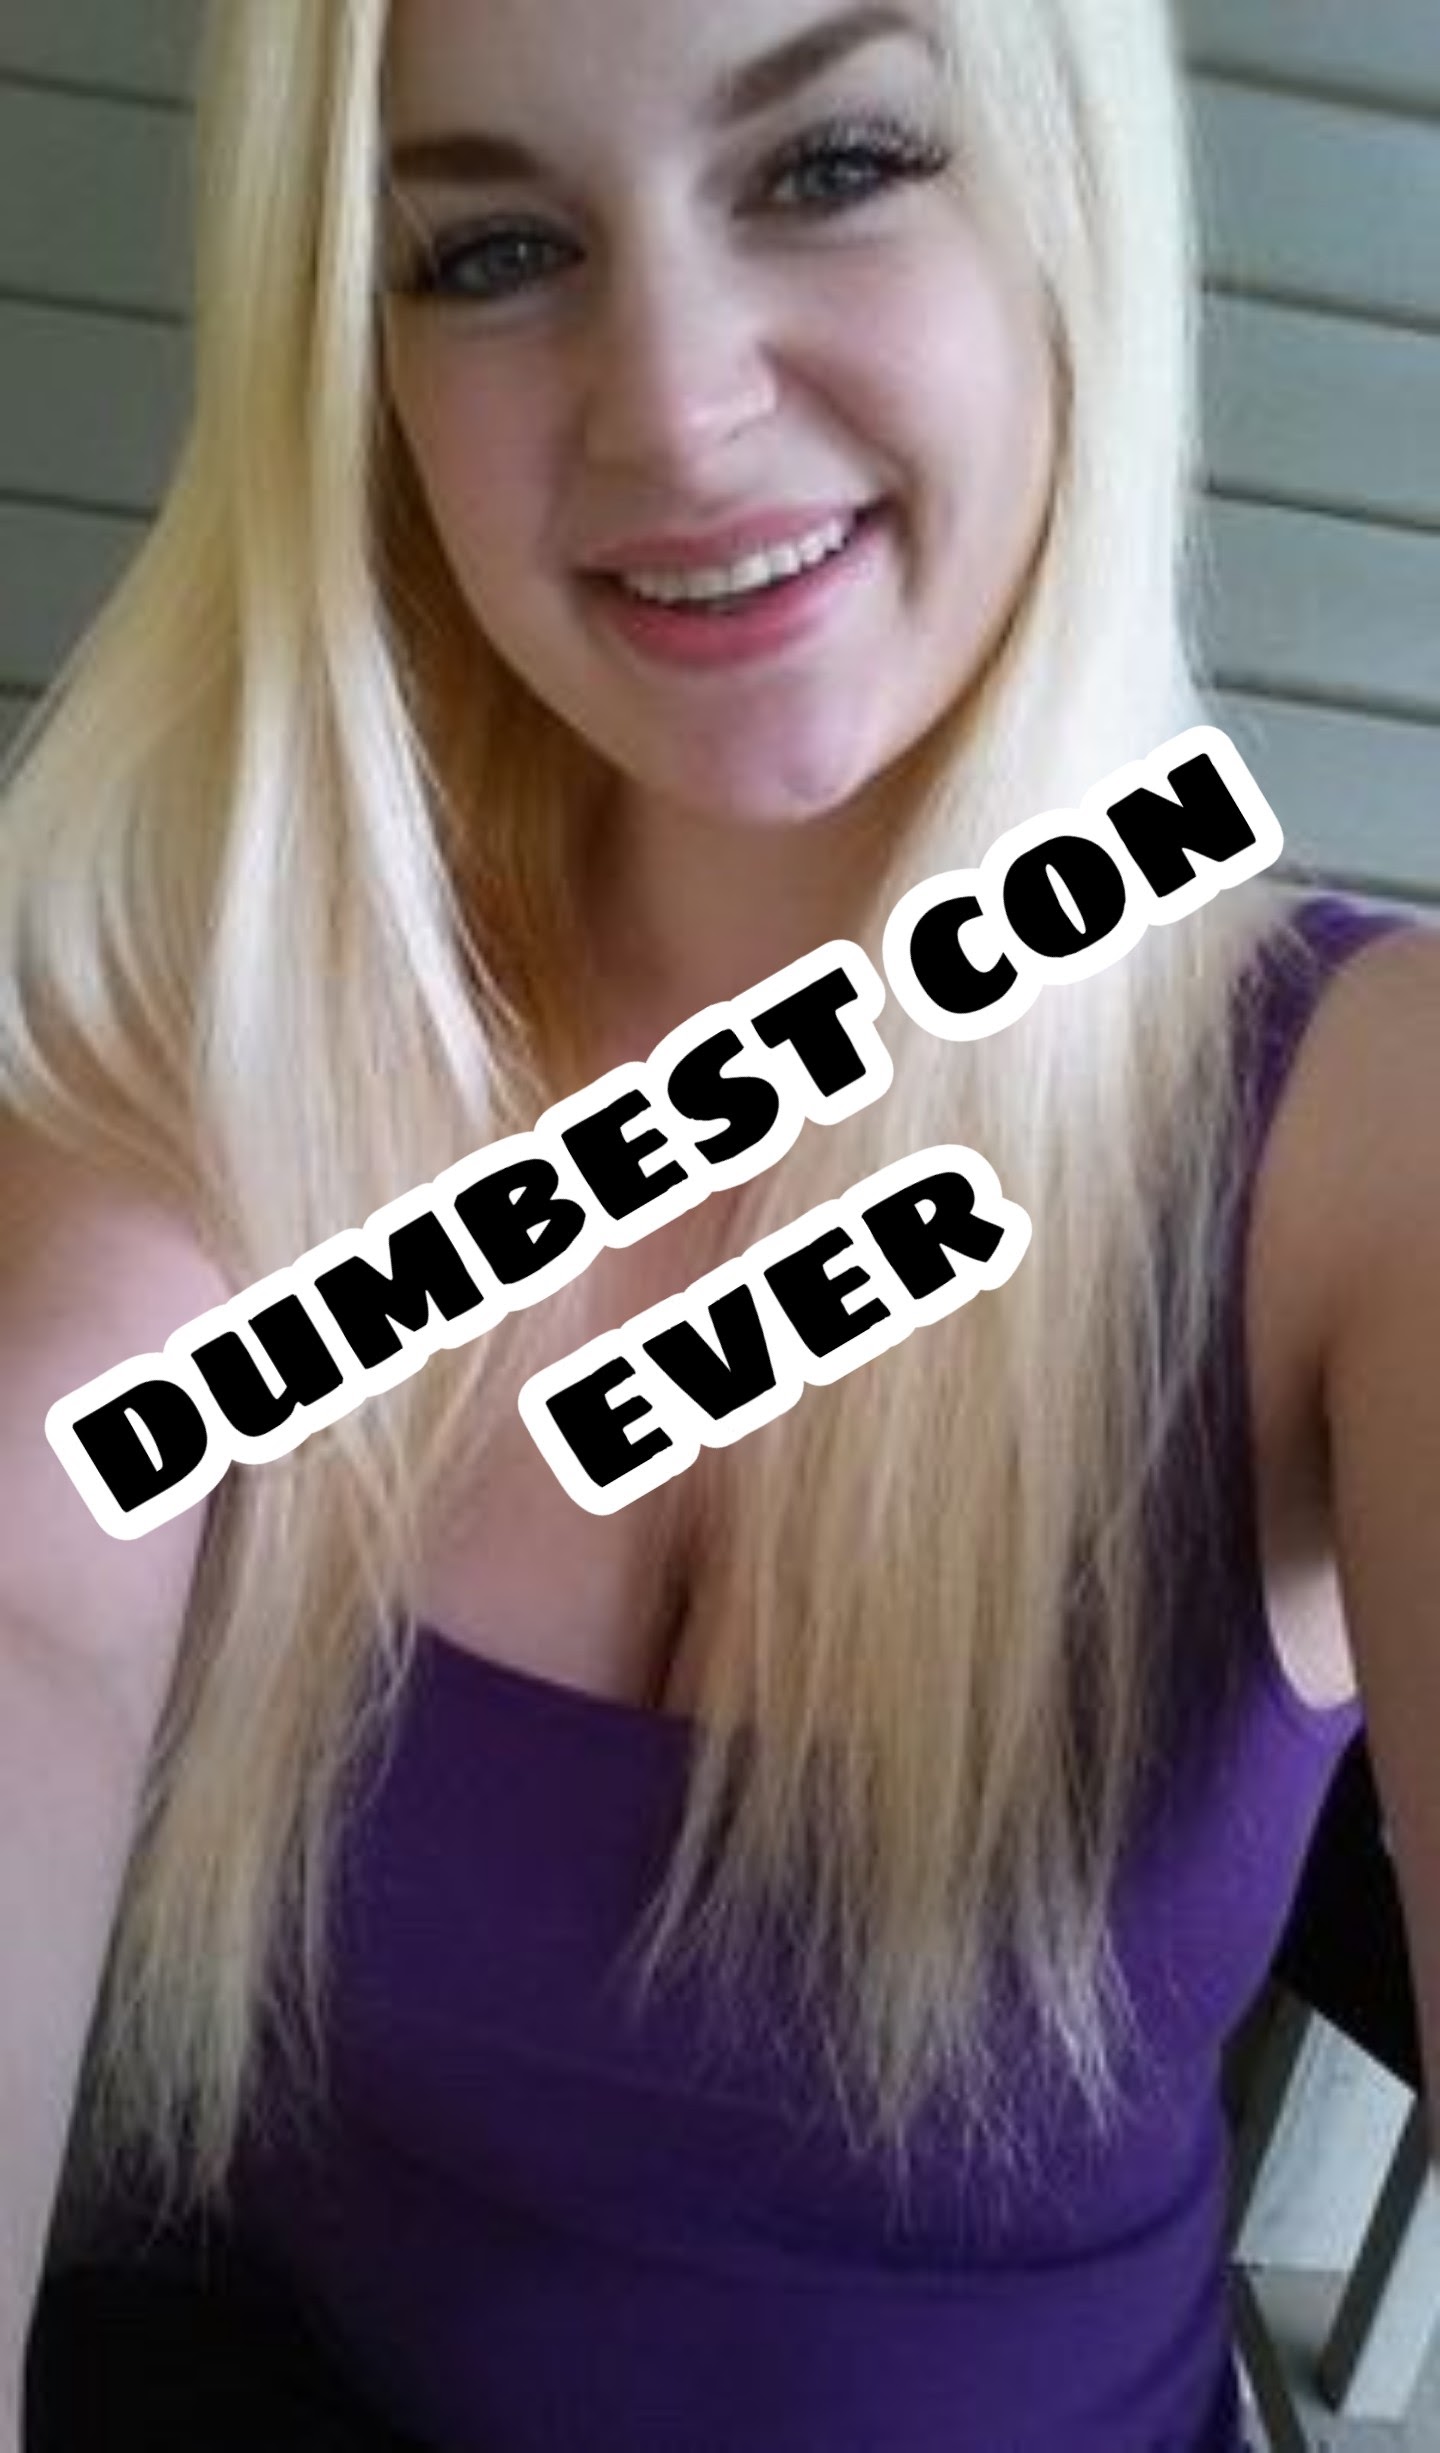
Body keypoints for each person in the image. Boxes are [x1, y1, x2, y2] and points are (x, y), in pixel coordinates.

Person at [2, 1, 1437, 2447]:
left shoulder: (1363, 1125)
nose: (671, 409)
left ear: (1065, 204)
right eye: (492, 251)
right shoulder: (256, 1018)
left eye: (831, 163)